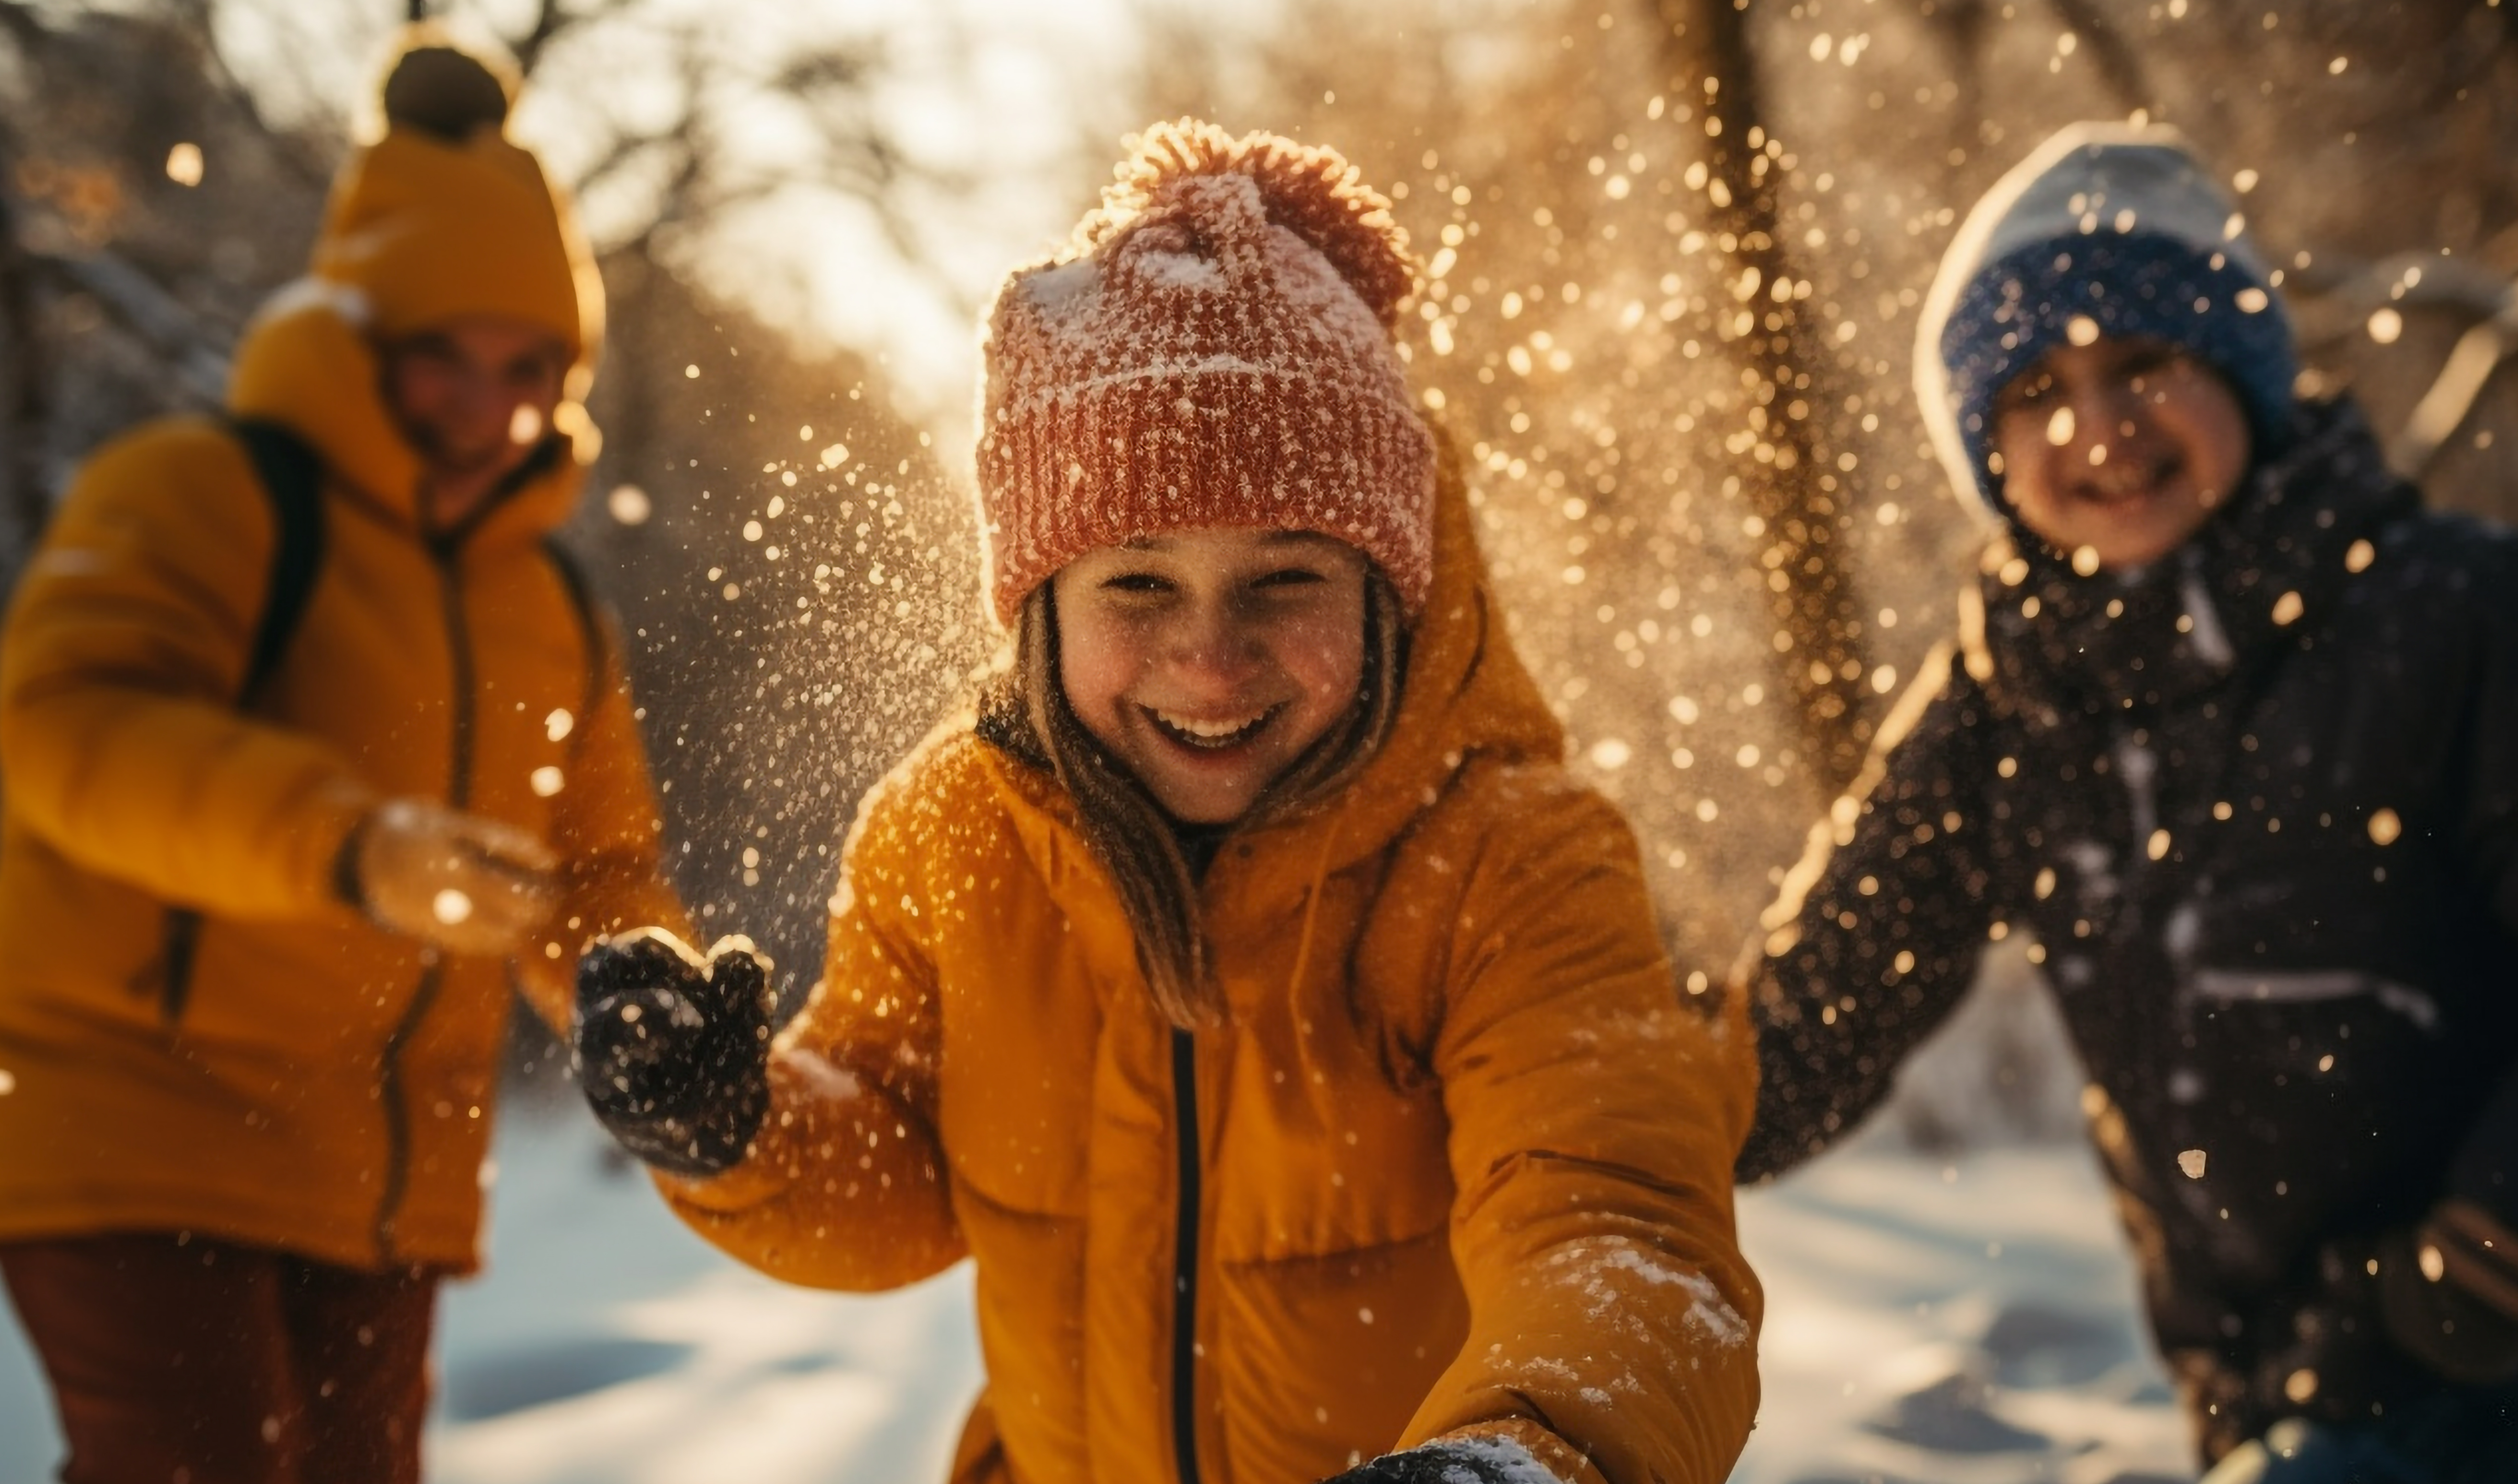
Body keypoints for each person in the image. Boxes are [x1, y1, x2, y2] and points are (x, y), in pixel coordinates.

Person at [572, 122, 1761, 1484]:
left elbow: (1615, 1222)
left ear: (1390, 594)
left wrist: (1533, 1454)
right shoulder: (954, 838)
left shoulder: (1513, 862)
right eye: (1137, 584)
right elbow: (900, 1166)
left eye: (1285, 582)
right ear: (1037, 610)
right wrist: (742, 1128)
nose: (1209, 657)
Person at [1735, 122, 2518, 1482]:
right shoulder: (2005, 706)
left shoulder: (2459, 614)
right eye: (2034, 389)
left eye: (2143, 362)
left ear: (2243, 376)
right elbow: (1791, 1041)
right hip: (2262, 1395)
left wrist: (2478, 1270)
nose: (2098, 427)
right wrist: (1544, 1081)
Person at [0, 34, 683, 1484]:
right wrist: (352, 847)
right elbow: (64, 729)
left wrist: (647, 1002)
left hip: (379, 1177)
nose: (489, 410)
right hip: (134, 1109)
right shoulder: (203, 494)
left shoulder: (549, 606)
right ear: (358, 336)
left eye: (531, 369)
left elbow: (600, 872)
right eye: (444, 359)